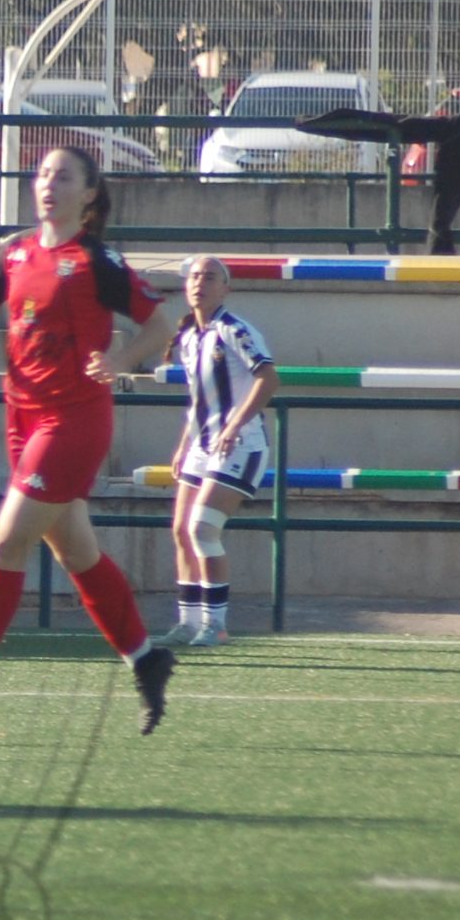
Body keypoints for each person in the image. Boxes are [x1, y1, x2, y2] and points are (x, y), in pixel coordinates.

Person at [0, 146, 180, 734]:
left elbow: (159, 324)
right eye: (43, 173)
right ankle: (148, 659)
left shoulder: (97, 260)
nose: (48, 183)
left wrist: (121, 359)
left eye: (63, 176)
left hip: (73, 422)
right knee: (77, 554)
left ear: (89, 195)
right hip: (21, 418)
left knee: (5, 545)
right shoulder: (14, 251)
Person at [164, 255, 277, 647]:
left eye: (210, 277)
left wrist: (235, 425)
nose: (200, 283)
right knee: (182, 530)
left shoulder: (234, 329)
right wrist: (184, 444)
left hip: (241, 444)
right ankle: (188, 621)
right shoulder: (189, 336)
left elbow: (268, 378)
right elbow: (200, 399)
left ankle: (216, 624)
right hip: (204, 444)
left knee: (203, 529)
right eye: (195, 276)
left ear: (226, 288)